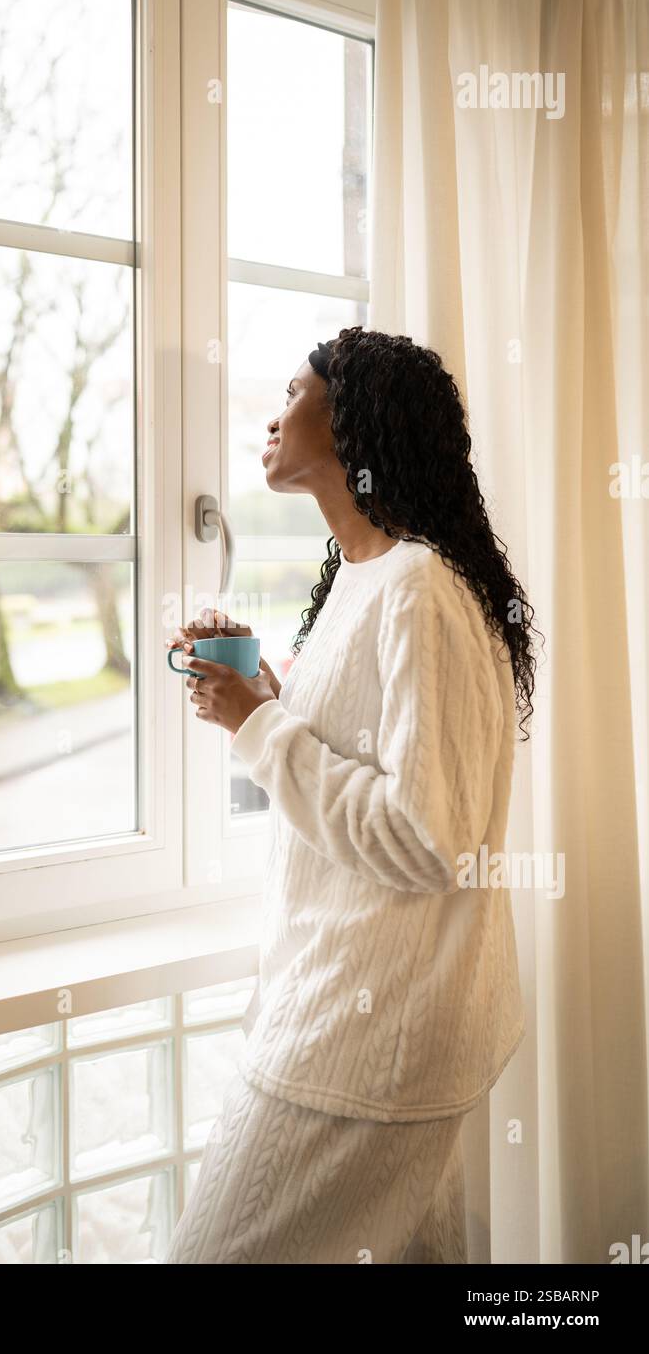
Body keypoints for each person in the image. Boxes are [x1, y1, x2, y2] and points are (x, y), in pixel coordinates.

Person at [162, 327, 538, 1264]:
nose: (274, 412)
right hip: (379, 1012)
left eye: (294, 392)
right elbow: (365, 759)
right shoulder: (367, 580)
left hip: (364, 1032)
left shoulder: (417, 588)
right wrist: (255, 698)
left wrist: (259, 723)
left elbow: (423, 835)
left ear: (354, 425)